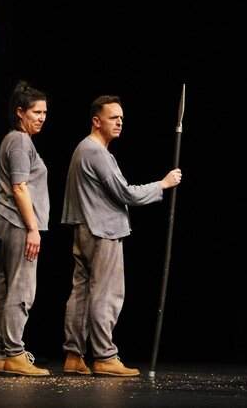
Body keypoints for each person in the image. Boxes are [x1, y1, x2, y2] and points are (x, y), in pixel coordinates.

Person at [61, 95, 182, 377]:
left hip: (85, 227)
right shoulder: (95, 152)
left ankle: (74, 355)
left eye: (122, 118)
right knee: (106, 293)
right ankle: (104, 356)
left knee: (82, 292)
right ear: (96, 121)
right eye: (113, 117)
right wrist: (162, 185)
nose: (119, 122)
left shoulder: (85, 149)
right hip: (101, 230)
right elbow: (125, 193)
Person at [0, 81, 50, 377]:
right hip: (15, 220)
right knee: (22, 287)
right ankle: (14, 352)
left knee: (5, 286)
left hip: (5, 219)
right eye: (36, 112)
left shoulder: (14, 140)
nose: (42, 117)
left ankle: (2, 354)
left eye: (44, 112)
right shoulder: (21, 141)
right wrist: (33, 228)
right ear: (20, 112)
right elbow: (19, 187)